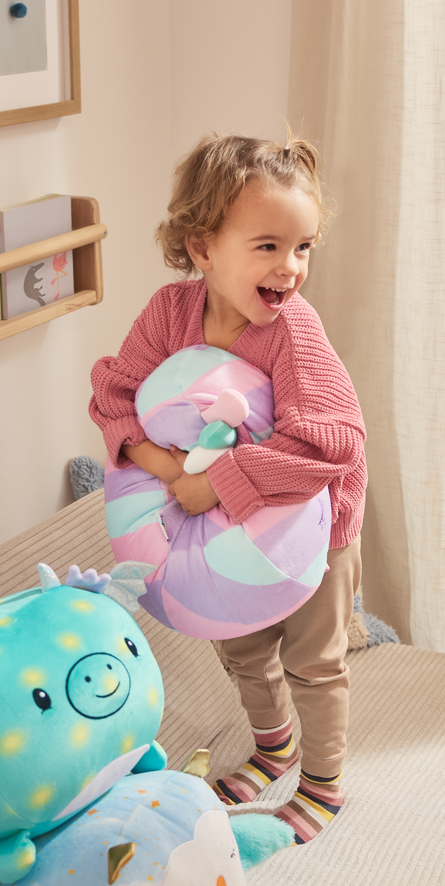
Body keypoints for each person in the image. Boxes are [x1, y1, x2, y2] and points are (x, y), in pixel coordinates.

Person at [89, 132, 367, 844]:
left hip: (315, 530)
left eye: (303, 247)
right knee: (241, 649)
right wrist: (167, 470)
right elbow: (115, 392)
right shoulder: (169, 315)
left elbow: (331, 442)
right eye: (268, 246)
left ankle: (324, 782)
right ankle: (274, 747)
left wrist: (216, 483)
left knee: (313, 658)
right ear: (203, 247)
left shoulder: (292, 331)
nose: (291, 268)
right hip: (214, 534)